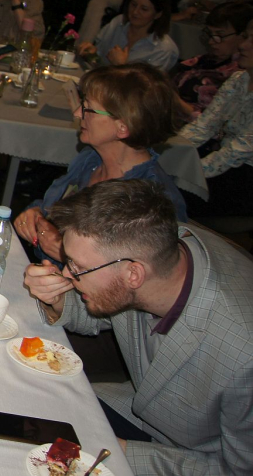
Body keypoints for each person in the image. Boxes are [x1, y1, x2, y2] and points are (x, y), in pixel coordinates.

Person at [22, 180, 253, 475]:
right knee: (27, 401)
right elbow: (106, 309)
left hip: (189, 458)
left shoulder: (243, 355)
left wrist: (118, 449)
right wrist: (56, 299)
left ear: (134, 274)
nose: (67, 274)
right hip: (139, 410)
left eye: (78, 268)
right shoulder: (152, 248)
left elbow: (238, 469)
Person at [12, 64, 187, 264]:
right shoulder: (90, 161)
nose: (77, 113)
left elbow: (140, 274)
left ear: (123, 127)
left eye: (88, 109)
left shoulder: (152, 200)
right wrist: (35, 214)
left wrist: (70, 256)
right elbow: (53, 208)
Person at [178, 18, 253, 216]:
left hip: (244, 178)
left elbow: (235, 153)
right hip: (223, 163)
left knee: (168, 192)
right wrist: (170, 152)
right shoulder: (239, 79)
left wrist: (185, 173)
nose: (243, 45)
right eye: (246, 37)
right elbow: (204, 125)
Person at [171, 1, 253, 117]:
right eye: (210, 34)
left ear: (242, 36)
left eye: (220, 35)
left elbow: (214, 122)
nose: (211, 41)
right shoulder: (202, 60)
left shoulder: (239, 75)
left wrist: (172, 99)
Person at [80, 0, 179, 71]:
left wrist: (121, 66)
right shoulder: (118, 22)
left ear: (158, 14)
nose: (135, 12)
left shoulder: (163, 50)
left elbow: (147, 84)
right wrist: (90, 54)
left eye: (144, 9)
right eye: (133, 5)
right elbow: (98, 62)